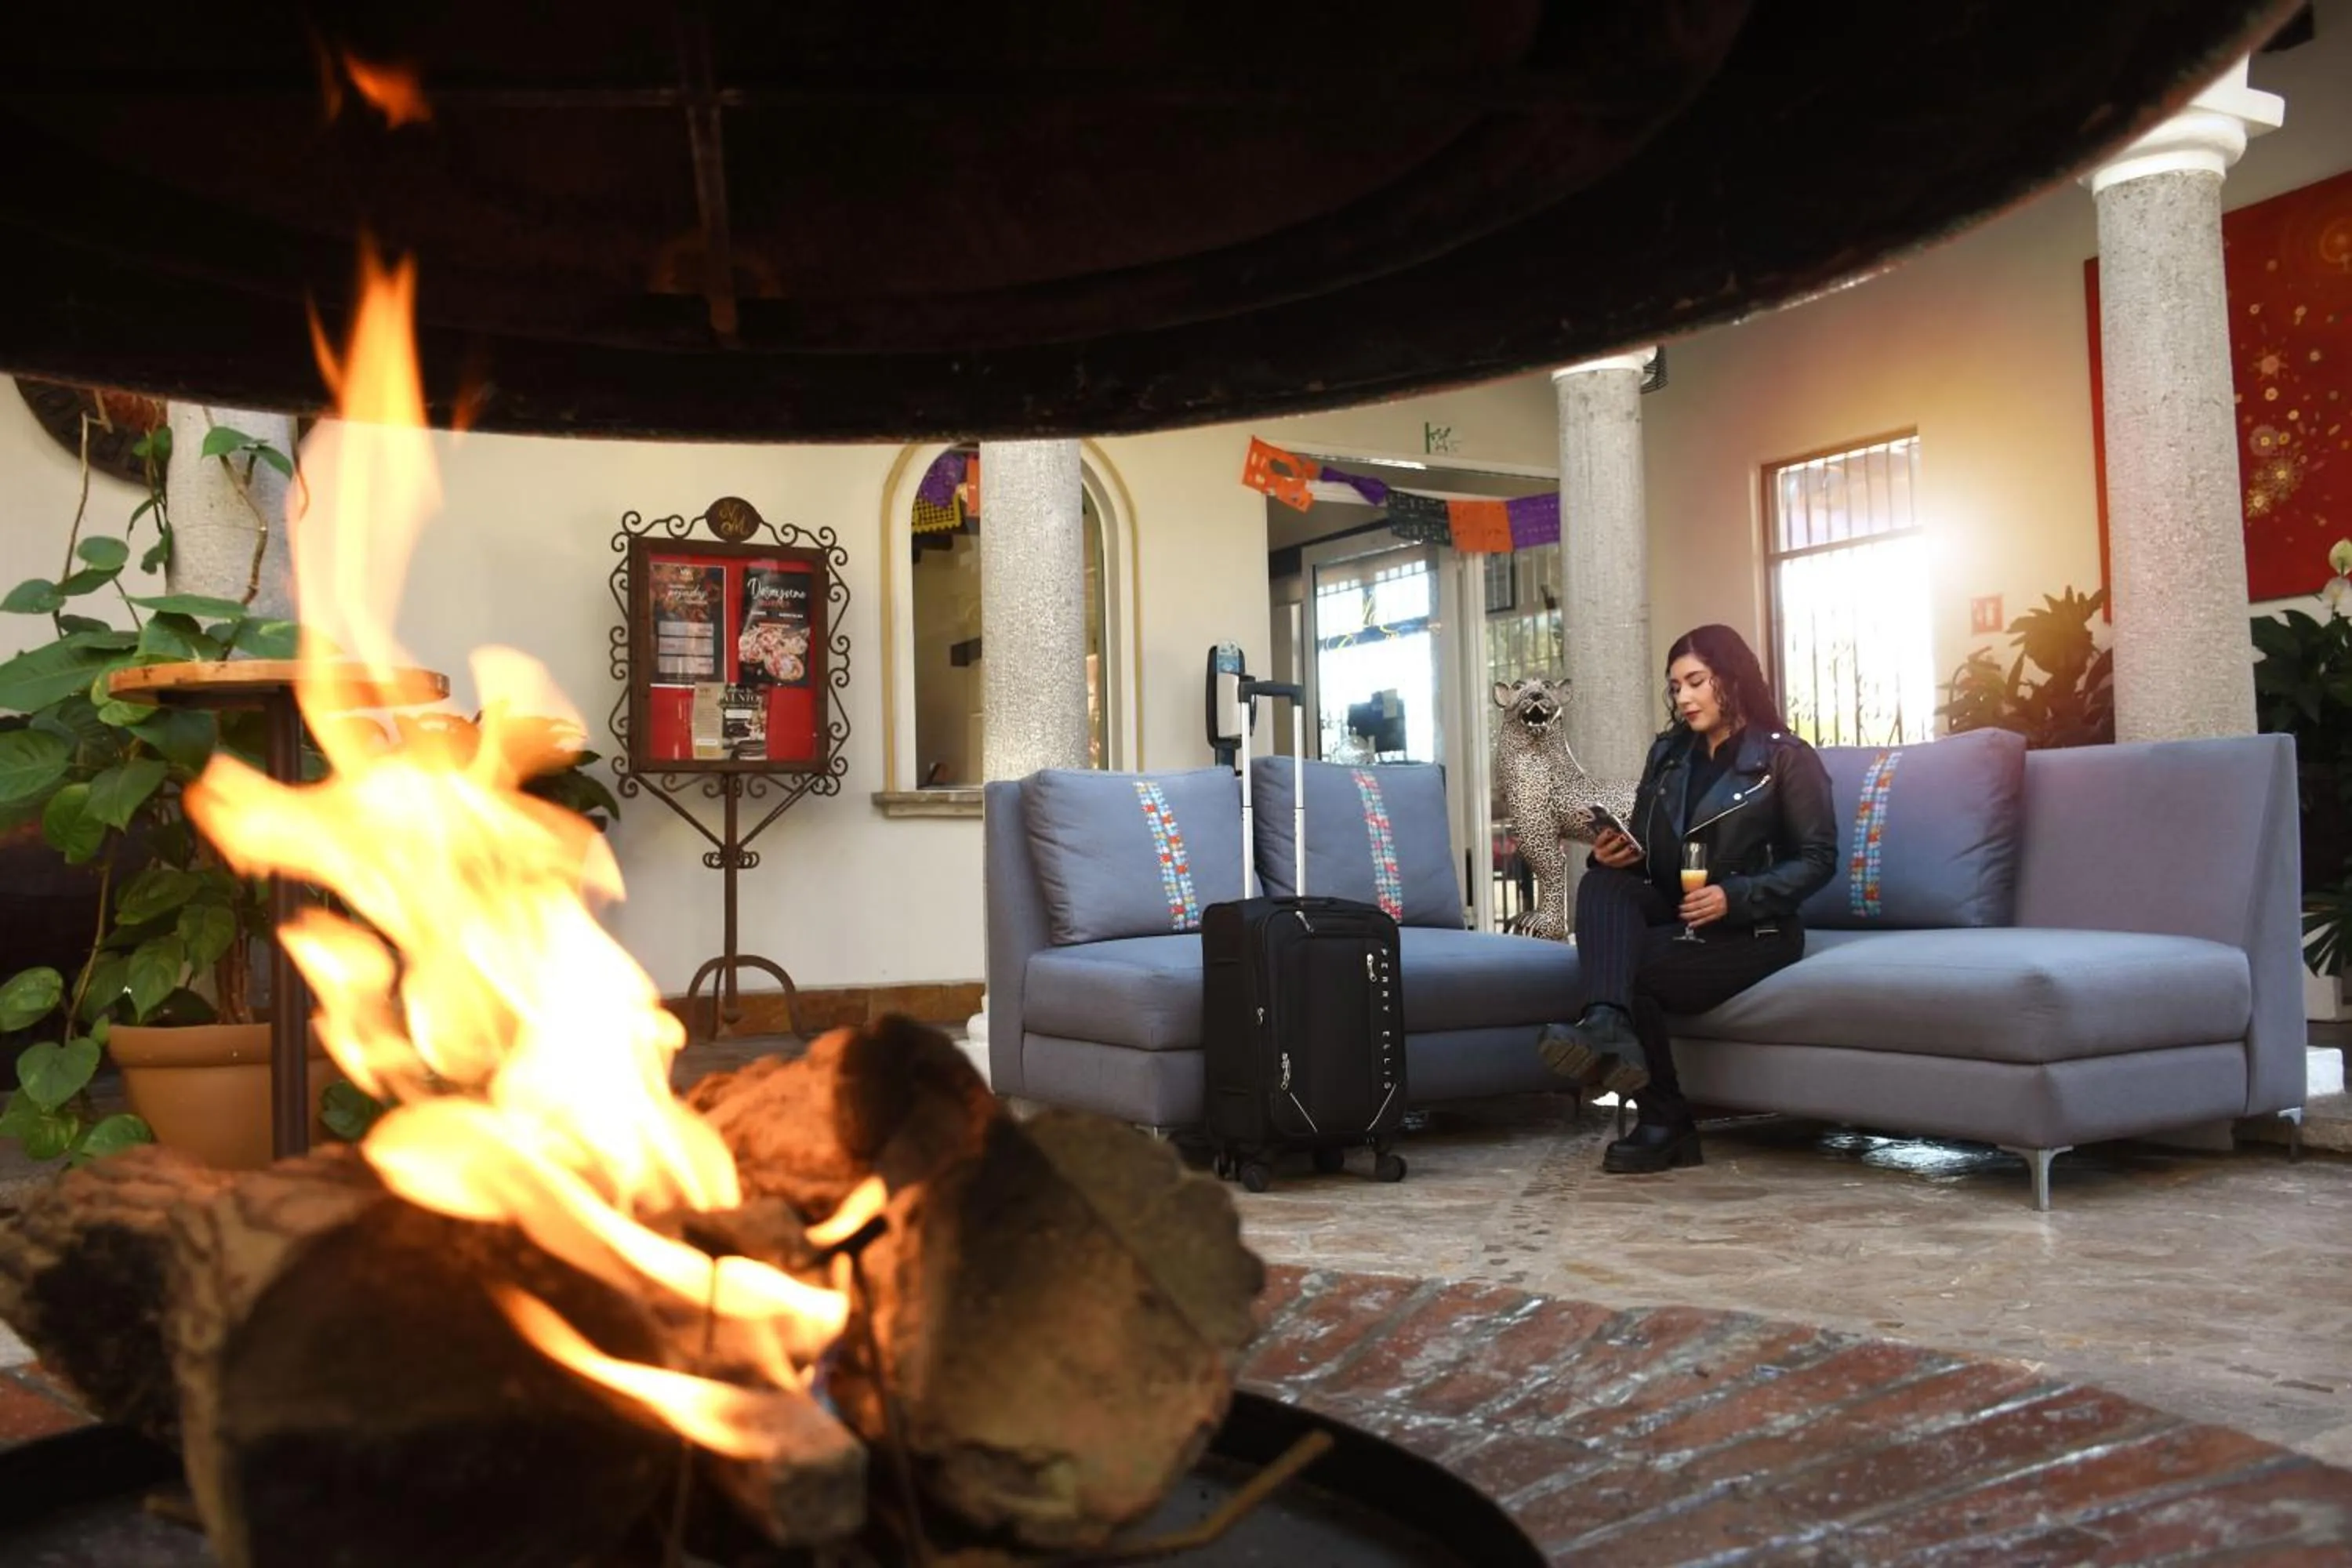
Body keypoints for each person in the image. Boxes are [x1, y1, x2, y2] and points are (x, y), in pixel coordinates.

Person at [1537, 624, 1837, 1174]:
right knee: (1602, 882)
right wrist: (1614, 852)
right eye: (1676, 687)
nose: (1684, 698)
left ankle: (1665, 1121)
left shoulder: (1787, 759)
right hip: (1675, 906)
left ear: (1733, 676)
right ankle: (1606, 1020)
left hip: (1754, 929)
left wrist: (1737, 895)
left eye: (1696, 681)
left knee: (1630, 970)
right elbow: (1652, 845)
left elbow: (1819, 859)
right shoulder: (1671, 753)